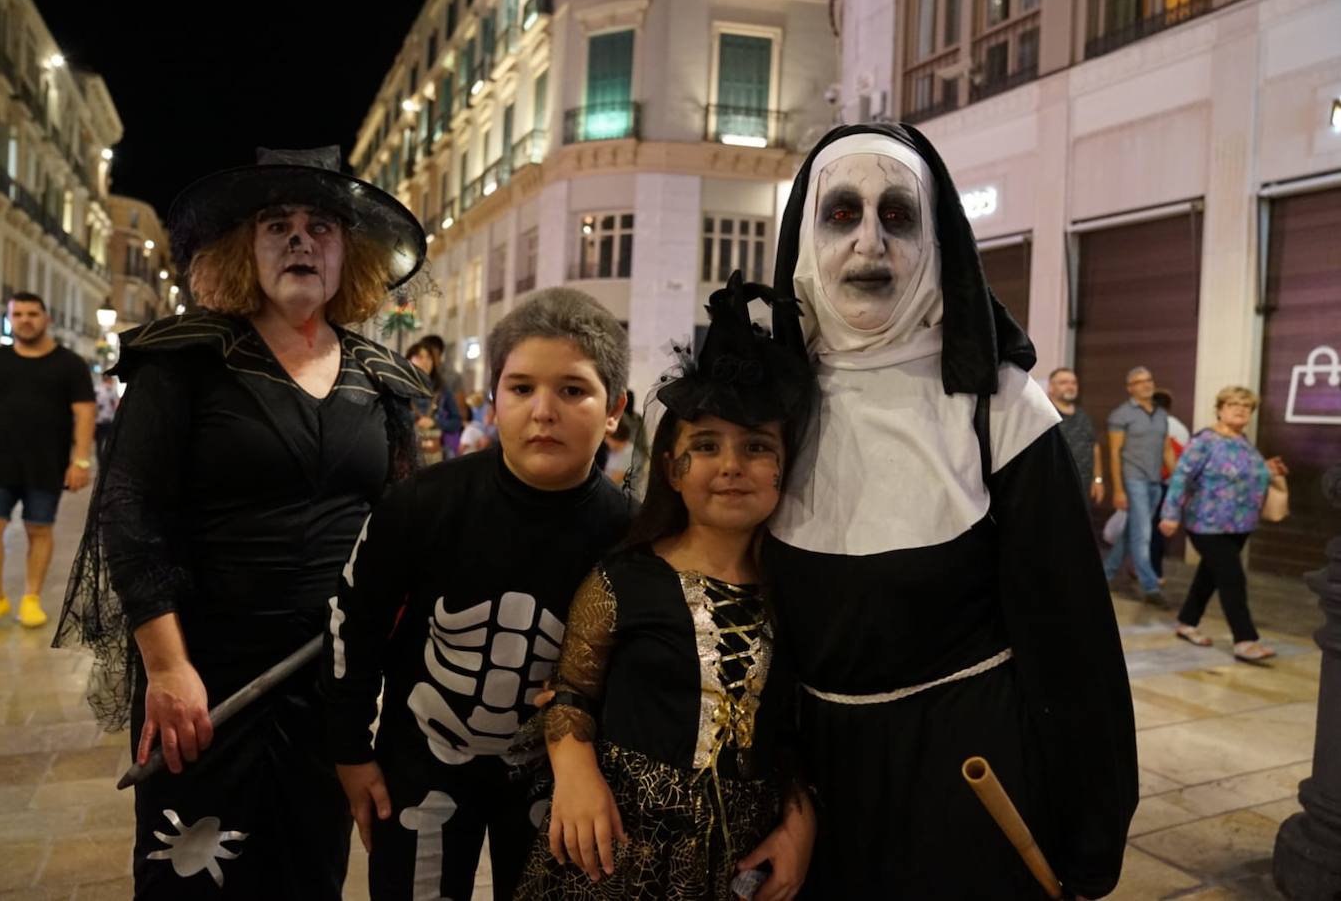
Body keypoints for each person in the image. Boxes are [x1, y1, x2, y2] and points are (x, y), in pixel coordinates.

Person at [760, 123, 1137, 898]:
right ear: (804, 234)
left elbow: (1071, 634)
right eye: (842, 215)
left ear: (936, 238)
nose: (870, 245)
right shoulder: (764, 409)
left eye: (897, 216)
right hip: (810, 787)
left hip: (970, 778)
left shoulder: (999, 404)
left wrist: (1088, 829)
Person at [52, 146, 431, 899]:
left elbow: (402, 526)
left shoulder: (379, 379)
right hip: (204, 672)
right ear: (242, 249)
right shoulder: (186, 359)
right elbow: (132, 514)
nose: (300, 241)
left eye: (320, 227)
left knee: (309, 866)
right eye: (276, 226)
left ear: (346, 253)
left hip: (327, 675)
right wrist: (165, 666)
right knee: (195, 869)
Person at [515, 274, 817, 901]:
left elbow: (798, 728)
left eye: (757, 447)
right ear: (673, 469)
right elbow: (571, 691)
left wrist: (798, 815)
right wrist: (574, 772)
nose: (732, 466)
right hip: (615, 848)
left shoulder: (802, 595)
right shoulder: (621, 579)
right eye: (706, 445)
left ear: (785, 466)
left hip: (743, 861)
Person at [325, 288, 634, 901]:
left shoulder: (632, 537)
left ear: (614, 409)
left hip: (558, 784)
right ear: (493, 401)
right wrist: (349, 751)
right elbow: (351, 623)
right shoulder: (422, 504)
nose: (543, 411)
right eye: (521, 388)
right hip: (422, 766)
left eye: (573, 390)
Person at [0, 292, 95, 631]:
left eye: (32, 313)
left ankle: (31, 597)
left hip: (46, 464)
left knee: (39, 529)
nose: (25, 319)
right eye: (18, 314)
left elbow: (84, 413)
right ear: (11, 319)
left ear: (46, 318)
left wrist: (80, 461)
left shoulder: (70, 364)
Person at [1158, 386, 1285, 664]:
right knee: (1232, 576)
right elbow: (1181, 477)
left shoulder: (1243, 442)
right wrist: (1170, 514)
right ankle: (1245, 639)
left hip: (1240, 524)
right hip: (1207, 523)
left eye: (1246, 406)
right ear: (1220, 408)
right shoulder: (1204, 440)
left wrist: (1267, 470)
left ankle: (1187, 622)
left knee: (1210, 574)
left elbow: (1244, 475)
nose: (1240, 409)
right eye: (1233, 404)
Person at [1103, 366, 1177, 606]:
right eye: (1139, 381)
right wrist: (1119, 489)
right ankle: (1151, 587)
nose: (1146, 384)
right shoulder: (1121, 415)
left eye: (1149, 380)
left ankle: (1105, 574)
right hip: (1134, 479)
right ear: (1130, 388)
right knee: (1143, 534)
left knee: (1132, 532)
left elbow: (1166, 448)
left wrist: (1176, 479)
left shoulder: (1161, 415)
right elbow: (1114, 454)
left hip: (1155, 481)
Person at [1149, 388, 1190, 585]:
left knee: (1144, 530)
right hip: (1170, 487)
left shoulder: (1153, 425)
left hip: (1150, 484)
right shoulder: (1180, 428)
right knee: (1158, 531)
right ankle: (1155, 572)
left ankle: (1149, 571)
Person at [1048, 367, 1104, 506]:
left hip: (1083, 487)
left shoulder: (1082, 416)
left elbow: (1094, 446)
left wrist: (1097, 480)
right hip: (1053, 488)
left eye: (1073, 383)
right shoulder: (1044, 415)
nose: (1070, 386)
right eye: (1063, 382)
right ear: (1051, 387)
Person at [406, 336, 462, 463]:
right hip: (406, 454)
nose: (425, 361)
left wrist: (435, 422)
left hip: (434, 454)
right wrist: (413, 421)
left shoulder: (442, 389)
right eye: (420, 357)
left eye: (429, 357)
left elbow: (457, 422)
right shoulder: (400, 388)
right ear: (409, 359)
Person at [94, 373, 121, 461]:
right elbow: (117, 406)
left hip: (98, 421)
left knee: (99, 444)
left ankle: (100, 463)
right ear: (109, 379)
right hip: (110, 421)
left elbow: (93, 407)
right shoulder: (112, 391)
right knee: (109, 444)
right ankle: (105, 463)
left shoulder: (96, 389)